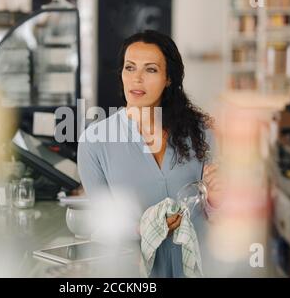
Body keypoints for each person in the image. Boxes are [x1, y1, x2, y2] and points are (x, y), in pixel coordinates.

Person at [77, 30, 222, 277]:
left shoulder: (202, 132)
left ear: (168, 78)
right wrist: (145, 228)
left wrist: (219, 200)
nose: (137, 79)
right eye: (130, 68)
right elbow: (105, 222)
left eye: (151, 69)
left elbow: (221, 217)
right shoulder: (95, 141)